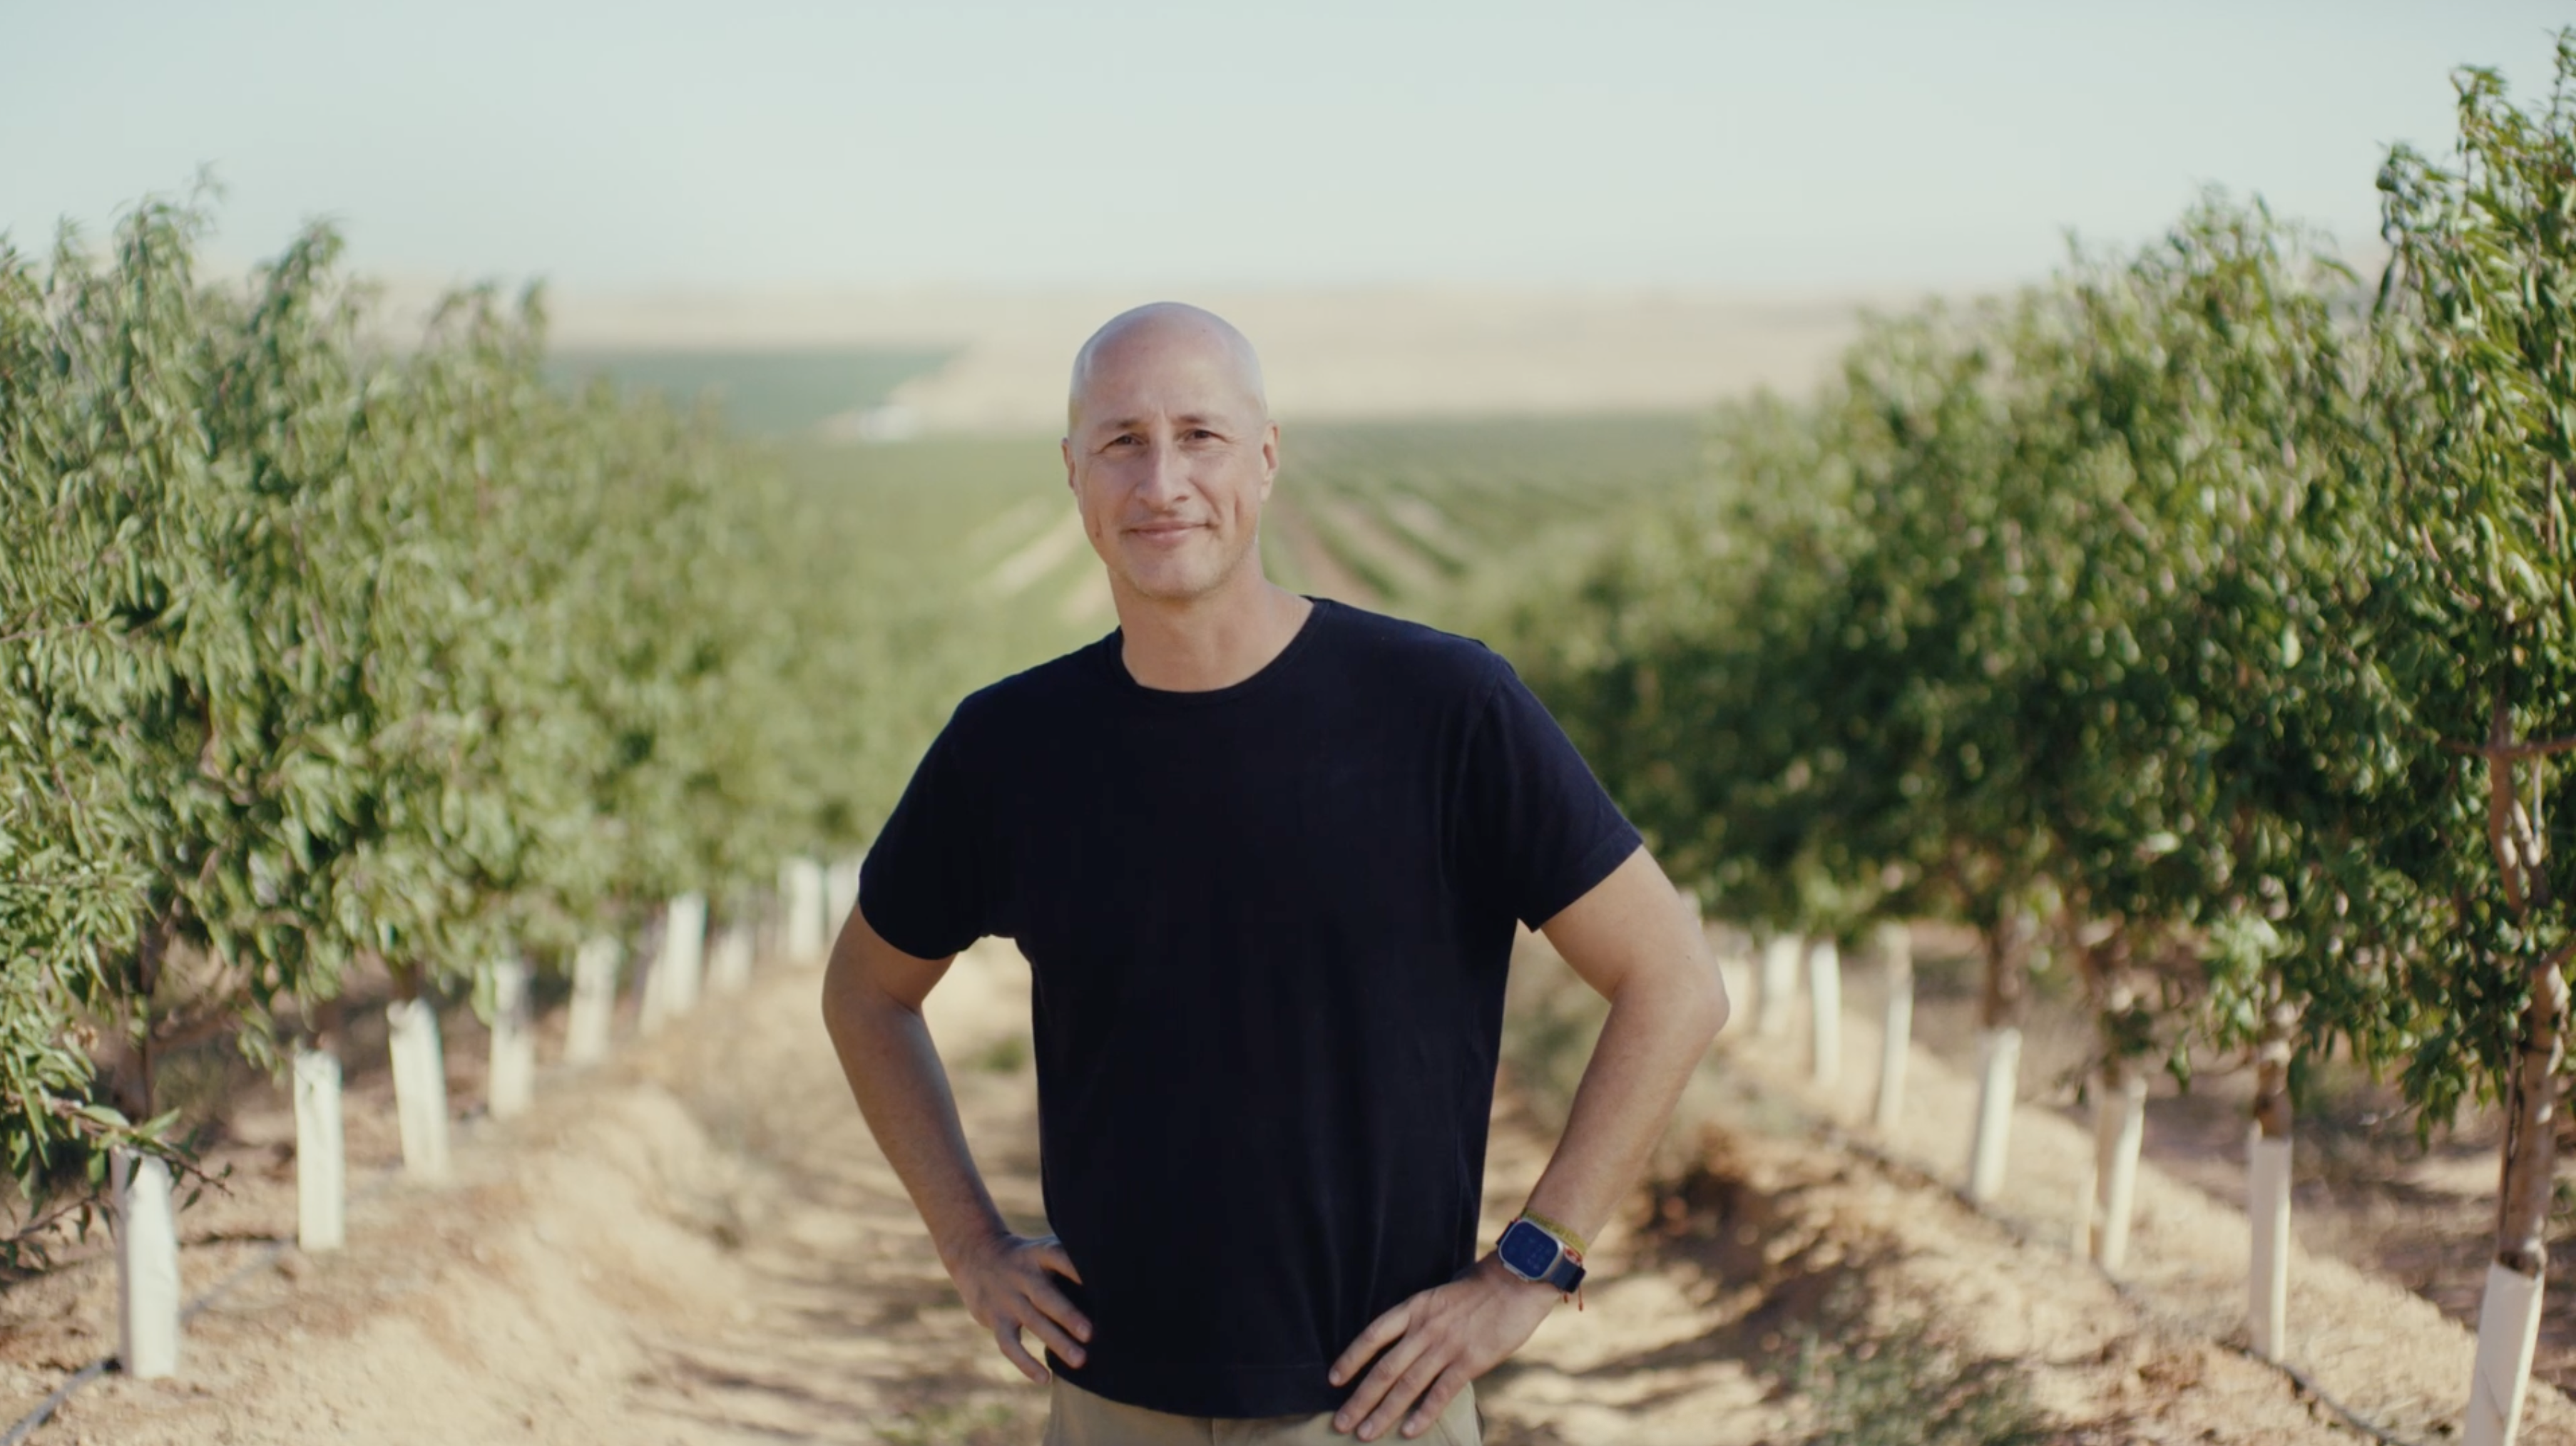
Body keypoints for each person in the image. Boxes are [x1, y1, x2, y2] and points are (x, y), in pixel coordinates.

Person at [820, 303, 1729, 1445]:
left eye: (1200, 434)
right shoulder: (1008, 748)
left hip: (1372, 1410)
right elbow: (865, 992)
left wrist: (1530, 1269)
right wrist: (970, 1244)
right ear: (1072, 472)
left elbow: (1674, 980)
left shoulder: (1444, 711)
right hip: (1110, 1406)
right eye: (1121, 442)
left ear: (1266, 454)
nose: (1162, 480)